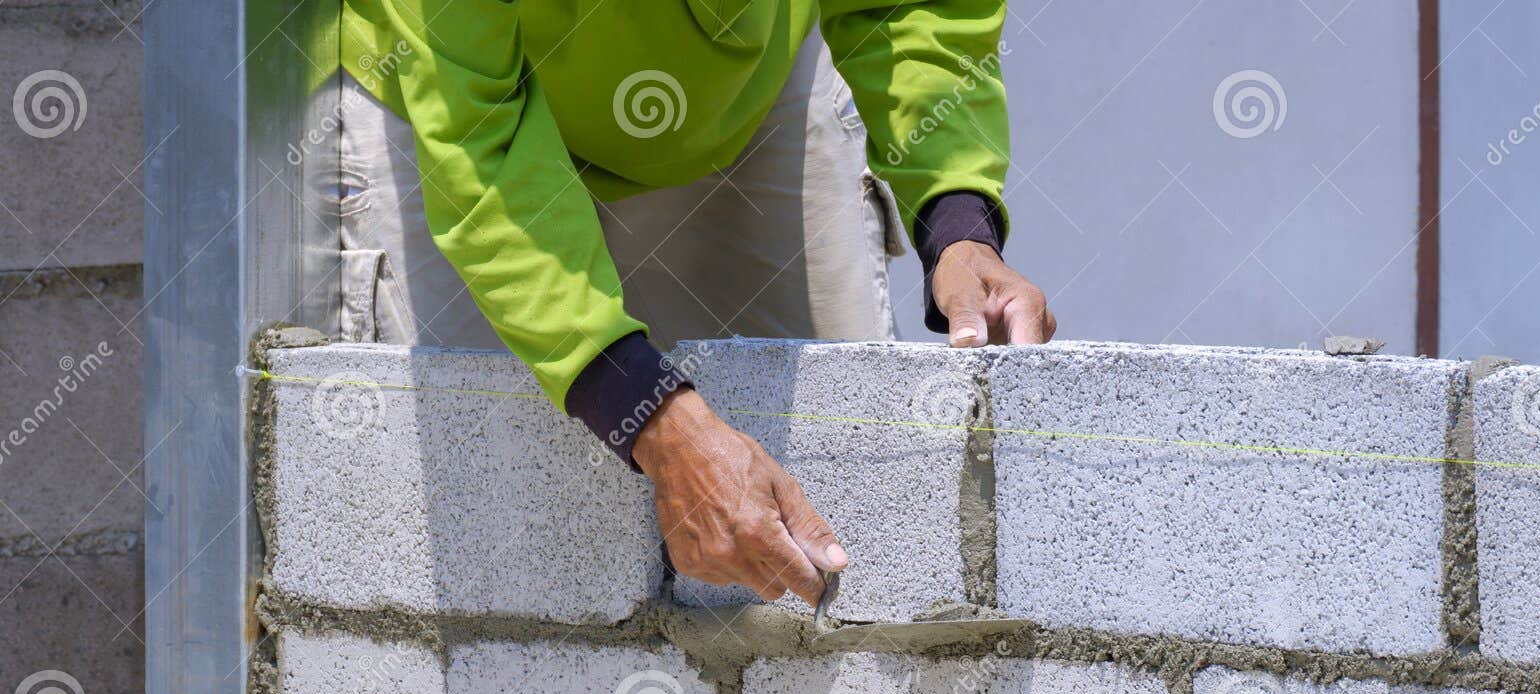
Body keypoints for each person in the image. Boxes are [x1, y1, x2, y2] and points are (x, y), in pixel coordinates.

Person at [338, 0, 1055, 607]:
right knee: (494, 563)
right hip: (460, 94)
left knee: (842, 512)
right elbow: (475, 134)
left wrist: (958, 220)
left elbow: (912, 9)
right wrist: (642, 408)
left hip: (754, 74)